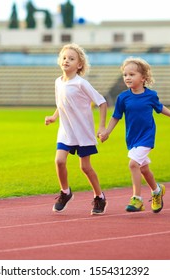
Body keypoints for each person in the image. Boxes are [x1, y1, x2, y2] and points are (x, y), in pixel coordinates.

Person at [99, 57, 170, 213]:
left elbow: (160, 108)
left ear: (143, 78)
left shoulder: (150, 95)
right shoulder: (123, 97)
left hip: (146, 137)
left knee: (133, 164)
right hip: (132, 138)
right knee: (144, 169)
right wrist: (107, 131)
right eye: (125, 74)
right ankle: (156, 191)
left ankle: (137, 199)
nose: (127, 77)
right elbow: (116, 117)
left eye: (132, 74)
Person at [45, 43, 108, 215]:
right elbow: (61, 103)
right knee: (59, 161)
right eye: (64, 58)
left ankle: (99, 196)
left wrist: (102, 126)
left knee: (85, 168)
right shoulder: (58, 82)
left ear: (79, 65)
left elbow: (102, 102)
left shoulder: (81, 84)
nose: (66, 61)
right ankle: (65, 192)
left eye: (71, 59)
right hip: (66, 131)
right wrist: (53, 117)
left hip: (83, 132)